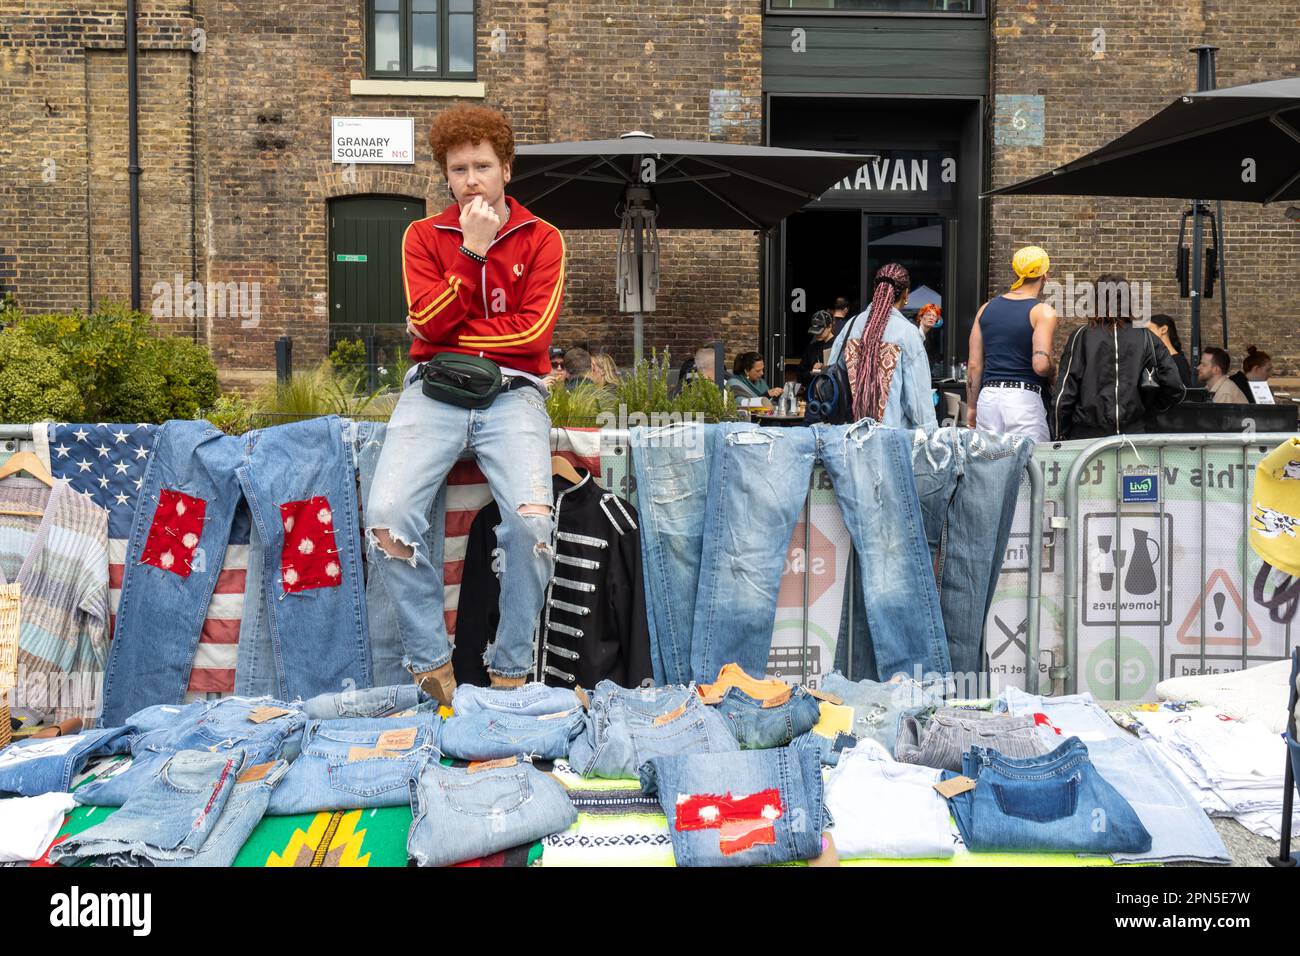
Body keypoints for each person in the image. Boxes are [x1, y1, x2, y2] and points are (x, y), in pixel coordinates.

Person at [366, 104, 565, 704]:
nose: (471, 178)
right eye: (459, 169)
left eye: (482, 165)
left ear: (507, 169)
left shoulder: (544, 238)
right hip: (433, 393)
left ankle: (508, 671)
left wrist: (442, 336)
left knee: (532, 525)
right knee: (387, 518)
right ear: (446, 176)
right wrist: (472, 252)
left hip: (514, 397)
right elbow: (426, 325)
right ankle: (433, 669)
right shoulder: (423, 235)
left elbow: (533, 338)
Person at [1052, 273, 1186, 439]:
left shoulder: (1081, 337)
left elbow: (1064, 394)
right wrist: (1146, 412)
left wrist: (1060, 436)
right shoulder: (1147, 337)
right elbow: (1175, 387)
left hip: (1087, 438)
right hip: (1134, 437)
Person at [826, 262, 936, 430]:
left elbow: (833, 375)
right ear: (906, 294)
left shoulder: (851, 326)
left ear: (876, 290)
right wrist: (929, 434)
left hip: (850, 436)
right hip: (891, 440)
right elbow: (918, 402)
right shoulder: (907, 333)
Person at [966, 246, 1058, 442]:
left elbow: (974, 365)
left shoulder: (985, 309)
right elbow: (1041, 365)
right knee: (1031, 468)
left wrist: (972, 407)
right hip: (1023, 400)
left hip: (988, 398)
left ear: (1016, 272)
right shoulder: (1042, 311)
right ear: (1045, 275)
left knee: (989, 466)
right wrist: (1053, 369)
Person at [1146, 314, 1192, 387]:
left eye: (1148, 330)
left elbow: (1184, 394)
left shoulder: (1178, 362)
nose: (1145, 334)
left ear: (1163, 329)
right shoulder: (1157, 360)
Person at [798, 310, 836, 388]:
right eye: (815, 331)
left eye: (820, 331)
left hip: (833, 392)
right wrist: (812, 372)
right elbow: (800, 374)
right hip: (813, 393)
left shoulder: (838, 346)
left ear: (829, 327)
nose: (817, 334)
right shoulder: (812, 347)